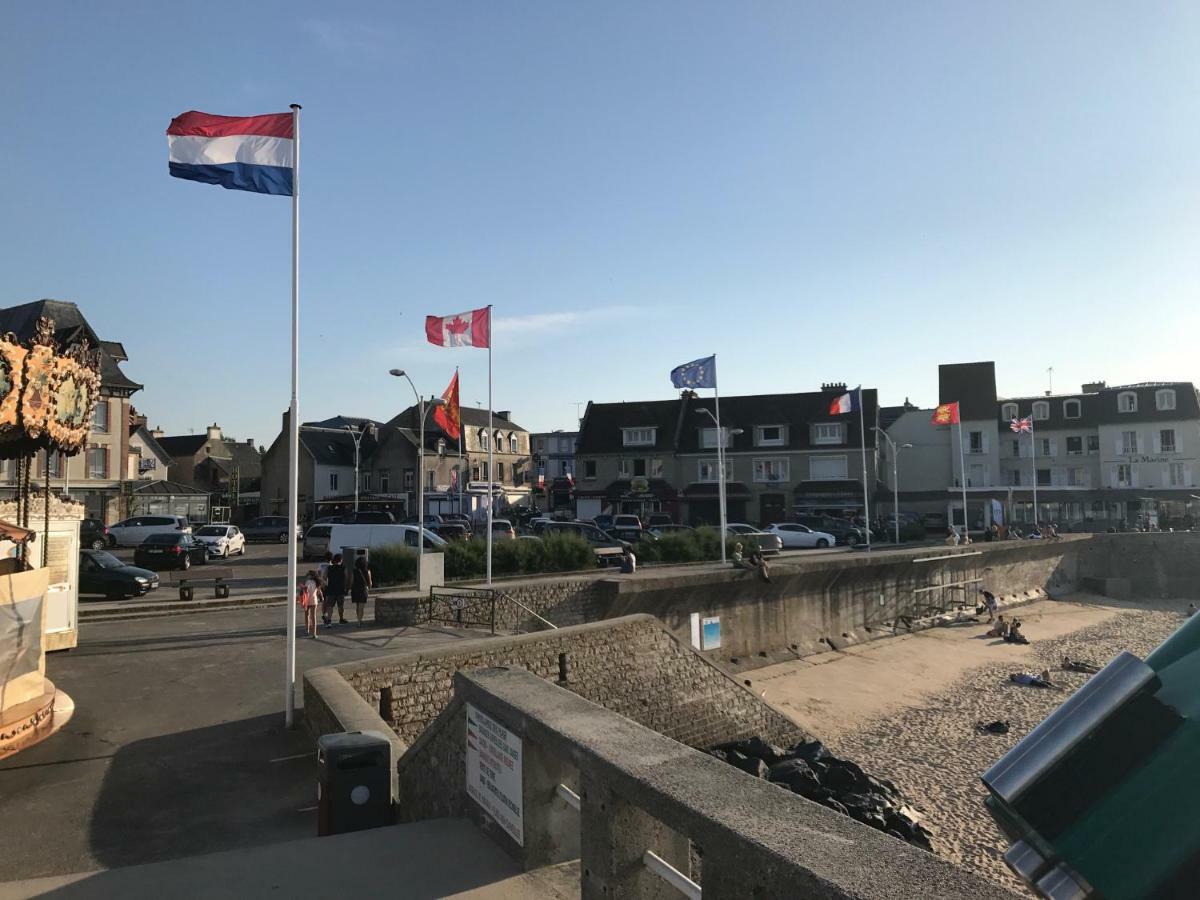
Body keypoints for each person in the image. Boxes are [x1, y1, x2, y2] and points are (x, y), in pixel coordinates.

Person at [351, 550, 372, 626]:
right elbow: (370, 583)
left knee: (357, 606)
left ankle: (358, 620)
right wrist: (369, 587)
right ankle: (360, 621)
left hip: (355, 589)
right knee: (361, 606)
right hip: (363, 589)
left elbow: (352, 581)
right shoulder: (367, 571)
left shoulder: (354, 571)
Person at [325, 553, 348, 625]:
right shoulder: (343, 568)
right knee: (340, 605)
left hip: (331, 588)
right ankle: (341, 619)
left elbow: (324, 577)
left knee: (330, 605)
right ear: (340, 560)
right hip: (340, 589)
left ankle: (329, 620)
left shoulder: (329, 568)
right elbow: (347, 578)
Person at [300, 570, 323, 638]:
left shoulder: (307, 582)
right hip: (314, 599)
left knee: (307, 615)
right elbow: (319, 591)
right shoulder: (317, 582)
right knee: (313, 616)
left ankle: (307, 630)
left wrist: (302, 587)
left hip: (306, 600)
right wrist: (322, 597)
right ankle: (314, 633)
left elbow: (305, 590)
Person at [318, 551, 334, 625]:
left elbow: (318, 575)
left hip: (322, 585)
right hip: (329, 585)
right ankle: (327, 616)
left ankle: (324, 614)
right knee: (328, 601)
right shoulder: (332, 565)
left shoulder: (321, 565)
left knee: (323, 601)